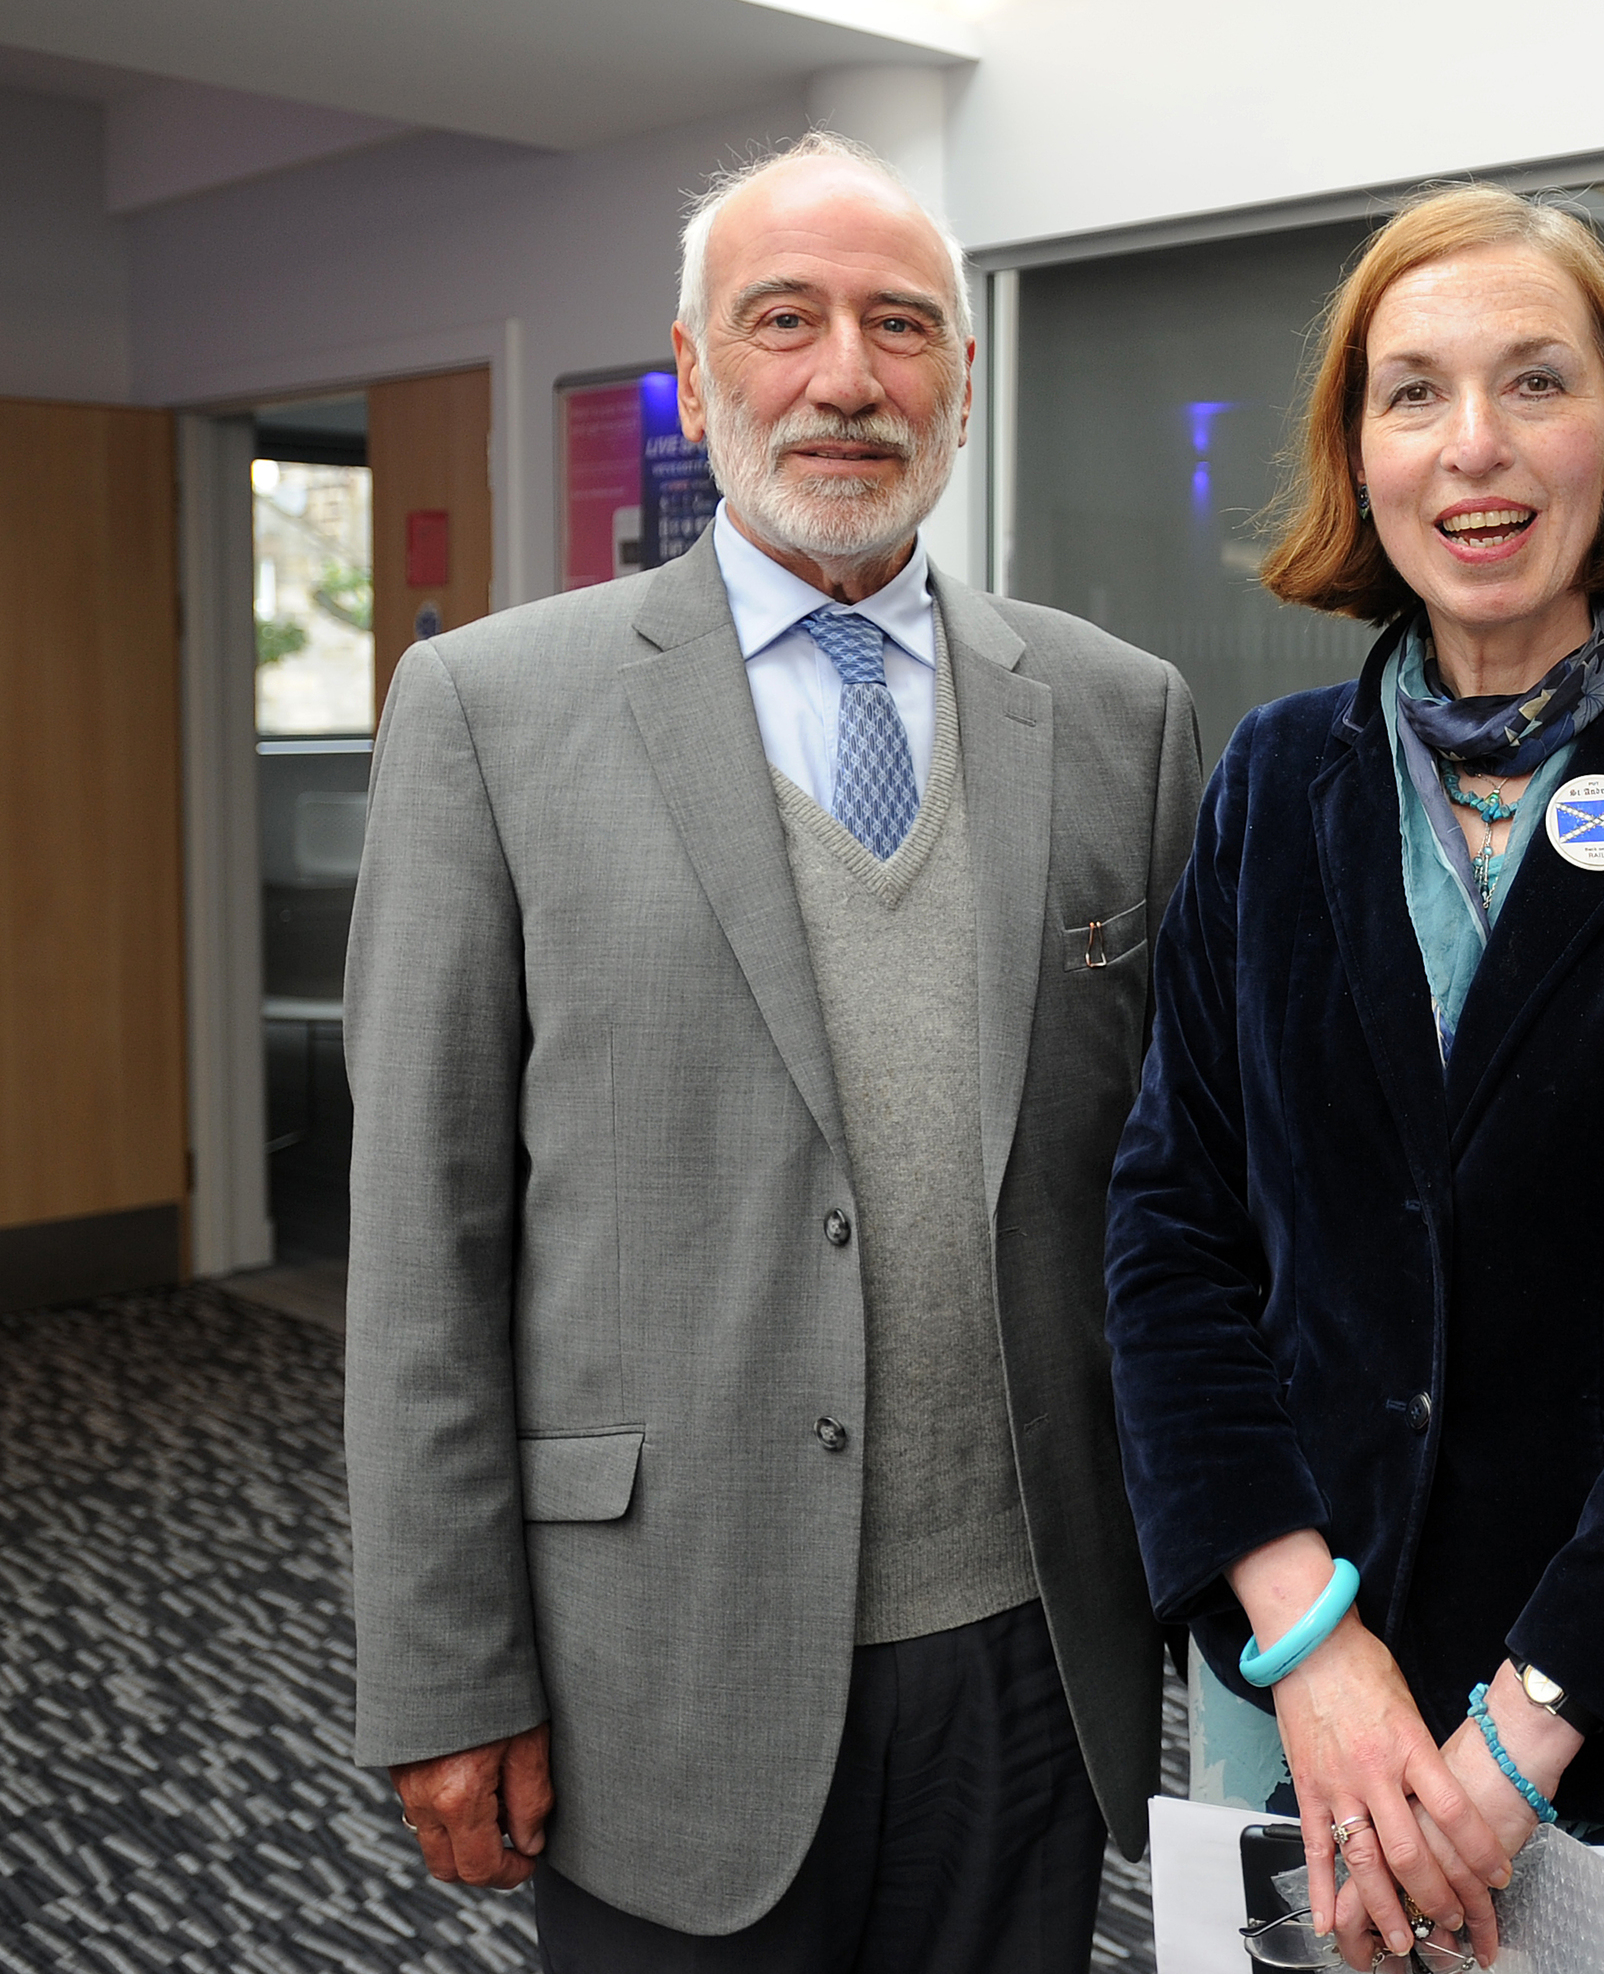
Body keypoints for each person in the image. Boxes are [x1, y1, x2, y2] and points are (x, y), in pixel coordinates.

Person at [343, 132, 1198, 1968]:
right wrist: (444, 1665)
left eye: (902, 328)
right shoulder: (492, 711)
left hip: (1033, 1652)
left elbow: (1179, 1197)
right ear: (691, 366)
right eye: (783, 320)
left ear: (960, 381)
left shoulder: (1124, 720)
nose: (846, 378)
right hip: (656, 1658)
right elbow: (424, 1245)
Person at [1102, 183, 1604, 1974]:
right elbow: (1173, 1236)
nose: (1475, 446)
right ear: (1357, 457)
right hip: (1306, 1708)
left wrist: (1520, 1735)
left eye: (1535, 383)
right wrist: (1313, 1653)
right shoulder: (1271, 782)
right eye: (1412, 393)